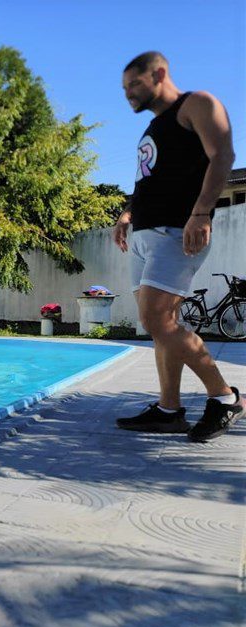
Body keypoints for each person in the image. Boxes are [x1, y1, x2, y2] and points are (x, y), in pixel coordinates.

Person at [113, 51, 241, 442]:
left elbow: (223, 155)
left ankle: (225, 398)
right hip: (145, 234)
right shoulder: (154, 126)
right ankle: (169, 411)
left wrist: (201, 213)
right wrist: (127, 214)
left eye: (134, 84)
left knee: (157, 321)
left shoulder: (196, 104)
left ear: (160, 74)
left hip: (176, 231)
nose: (128, 94)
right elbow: (150, 179)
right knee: (162, 328)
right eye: (124, 89)